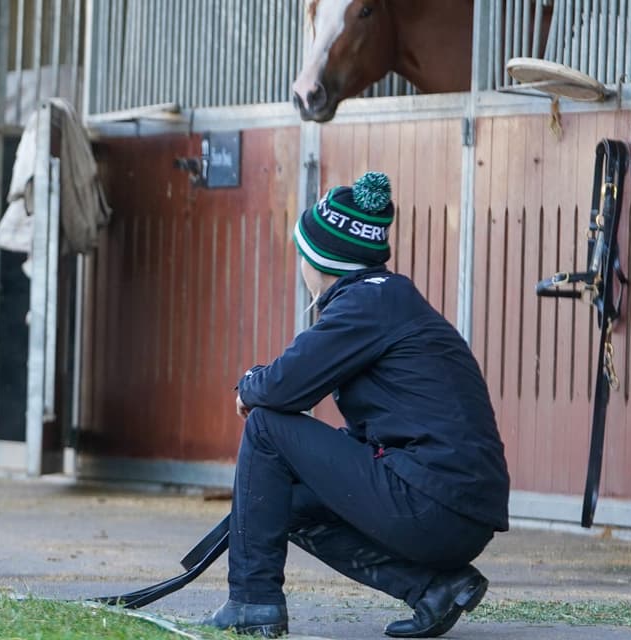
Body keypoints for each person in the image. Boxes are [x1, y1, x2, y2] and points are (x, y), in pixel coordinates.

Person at [204, 172, 511, 638]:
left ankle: (252, 601)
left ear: (319, 260)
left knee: (266, 425)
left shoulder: (367, 303)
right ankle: (433, 588)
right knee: (285, 503)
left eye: (302, 255)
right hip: (453, 510)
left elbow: (282, 387)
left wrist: (248, 385)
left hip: (432, 503)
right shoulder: (388, 299)